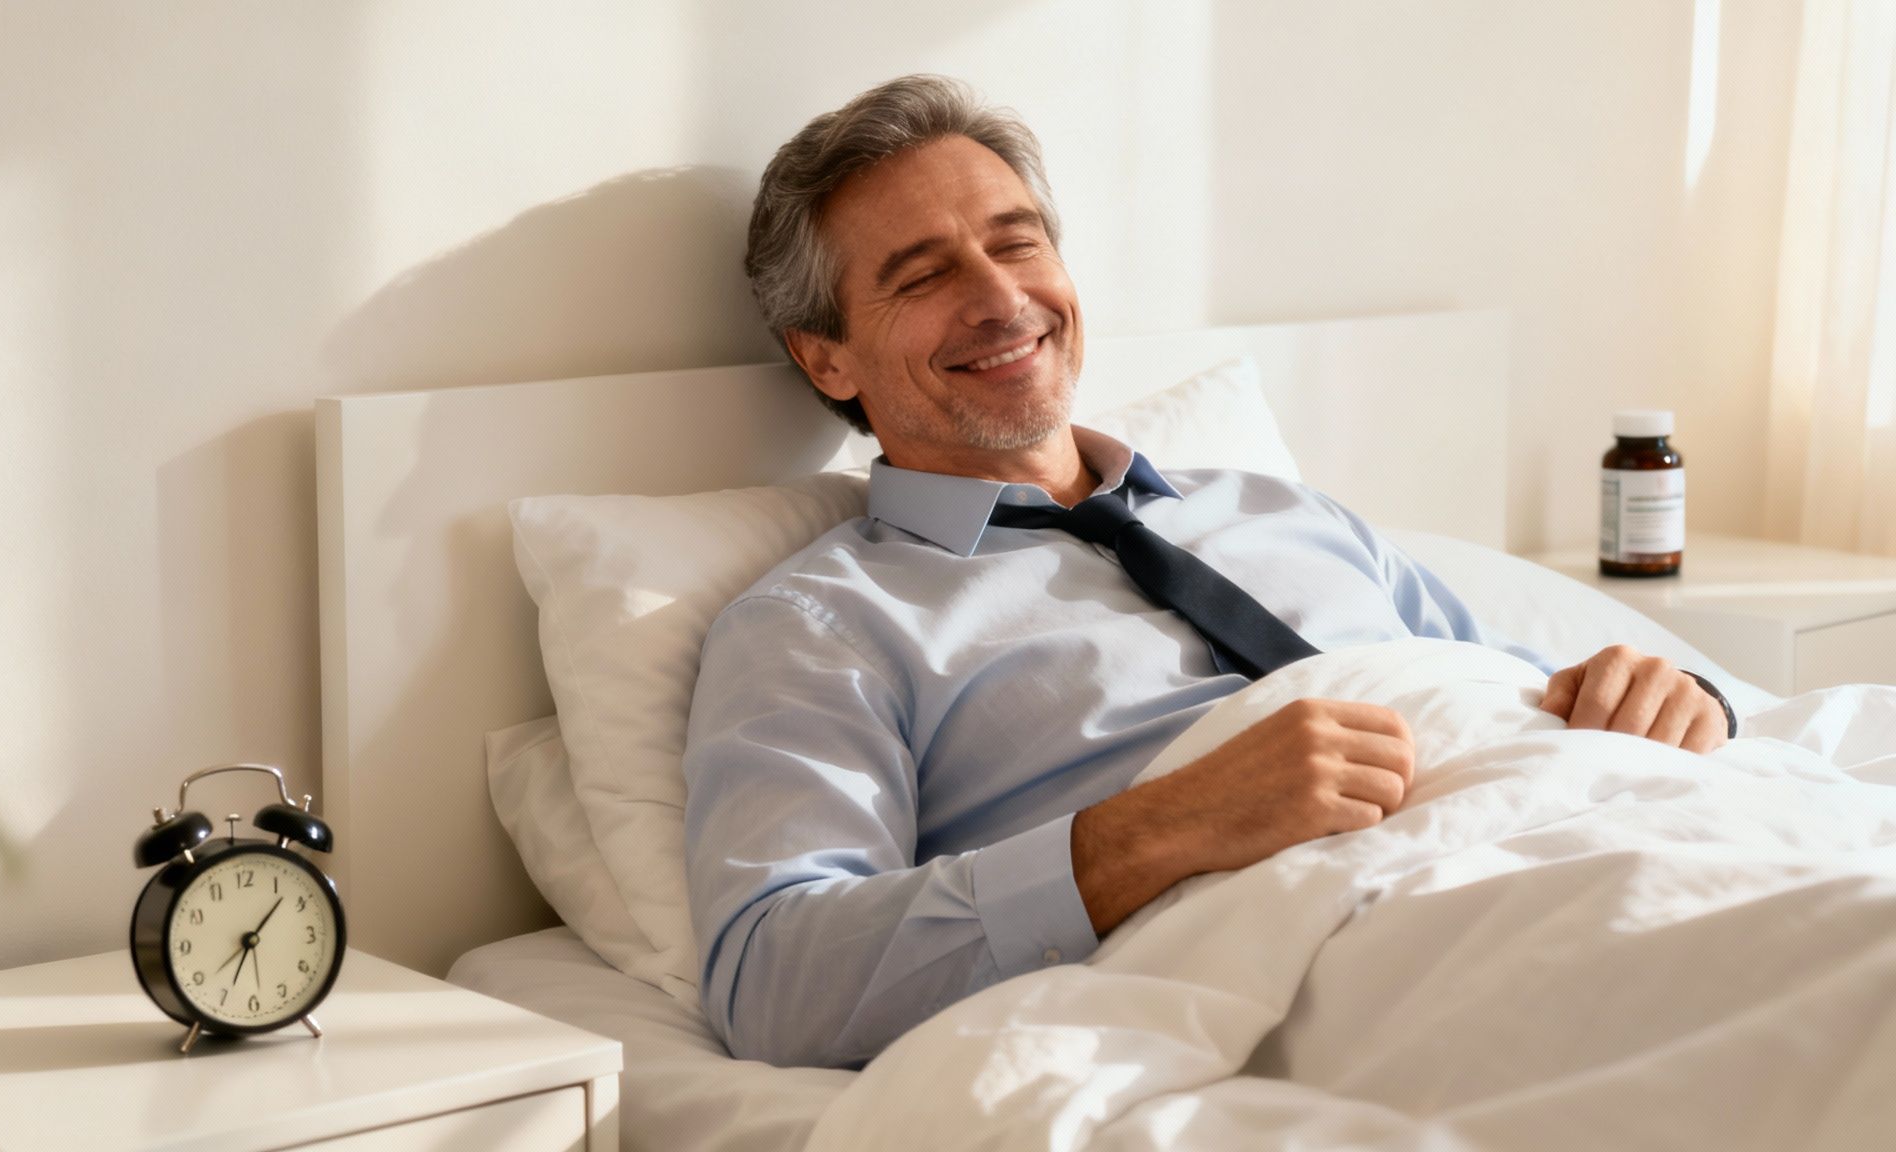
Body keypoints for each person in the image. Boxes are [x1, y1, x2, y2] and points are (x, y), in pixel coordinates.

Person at [683, 74, 1733, 1070]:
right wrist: (1166, 826)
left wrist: (1674, 699)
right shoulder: (822, 627)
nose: (1002, 298)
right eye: (922, 276)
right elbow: (773, 978)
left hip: (1610, 837)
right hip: (1390, 951)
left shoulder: (1277, 509)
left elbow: (1516, 691)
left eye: (1019, 244)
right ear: (825, 358)